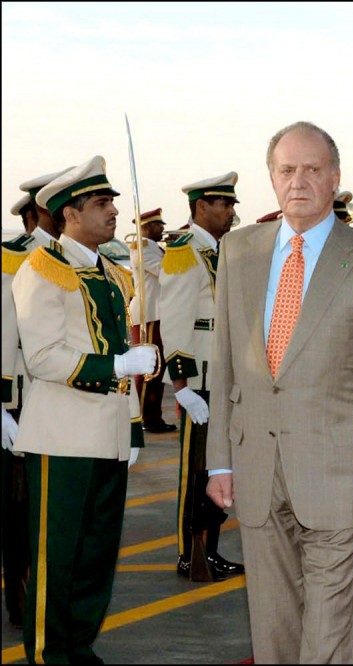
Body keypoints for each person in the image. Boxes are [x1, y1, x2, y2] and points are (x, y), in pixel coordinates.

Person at [205, 121, 353, 663]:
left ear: (335, 177)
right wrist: (219, 461)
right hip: (256, 469)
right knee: (272, 624)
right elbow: (225, 365)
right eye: (287, 170)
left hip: (341, 477)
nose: (298, 181)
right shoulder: (237, 251)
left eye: (312, 170)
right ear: (272, 178)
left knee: (328, 631)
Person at [12, 156, 156, 663]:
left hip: (108, 434)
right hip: (63, 435)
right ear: (70, 214)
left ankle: (78, 646)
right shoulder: (42, 269)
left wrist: (133, 428)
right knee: (57, 556)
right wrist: (117, 364)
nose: (113, 211)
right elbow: (43, 356)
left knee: (96, 554)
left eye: (112, 201)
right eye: (101, 203)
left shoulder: (112, 273)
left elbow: (120, 349)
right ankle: (49, 653)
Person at [160, 172, 243, 581]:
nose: (231, 212)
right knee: (195, 472)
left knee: (219, 468)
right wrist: (182, 388)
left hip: (225, 377)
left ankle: (210, 549)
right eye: (224, 204)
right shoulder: (184, 252)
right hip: (201, 382)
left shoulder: (222, 251)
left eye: (231, 204)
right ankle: (188, 552)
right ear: (201, 207)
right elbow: (174, 321)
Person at [2, 168, 71, 630]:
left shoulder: (74, 259)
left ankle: (49, 598)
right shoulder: (15, 258)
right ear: (39, 212)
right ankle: (21, 598)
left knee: (56, 509)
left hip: (64, 402)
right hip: (22, 402)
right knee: (20, 510)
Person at [128, 208, 176, 434]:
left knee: (156, 368)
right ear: (146, 227)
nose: (162, 229)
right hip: (149, 314)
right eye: (158, 225)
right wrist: (176, 251)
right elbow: (165, 272)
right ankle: (145, 417)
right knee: (149, 369)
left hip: (156, 313)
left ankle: (152, 416)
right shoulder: (143, 247)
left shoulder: (153, 247)